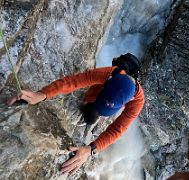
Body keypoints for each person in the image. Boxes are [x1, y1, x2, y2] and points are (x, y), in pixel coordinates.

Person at [7, 53, 145, 175]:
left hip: (112, 91)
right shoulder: (110, 73)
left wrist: (90, 149)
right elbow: (74, 81)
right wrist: (41, 94)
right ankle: (91, 101)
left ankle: (94, 108)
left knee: (90, 116)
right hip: (107, 84)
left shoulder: (137, 103)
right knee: (88, 104)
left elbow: (117, 129)